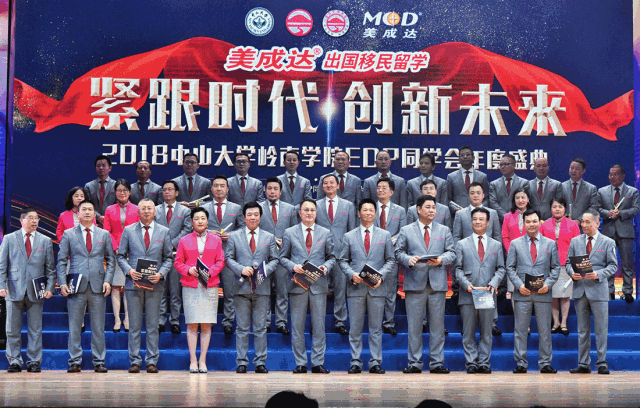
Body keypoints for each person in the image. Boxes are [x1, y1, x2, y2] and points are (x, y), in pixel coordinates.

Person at [396, 195, 455, 374]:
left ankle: (437, 363)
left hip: (437, 284)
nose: (431, 210)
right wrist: (409, 259)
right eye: (428, 207)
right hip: (414, 283)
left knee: (437, 327)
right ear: (418, 209)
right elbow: (398, 252)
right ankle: (414, 362)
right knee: (414, 327)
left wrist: (441, 259)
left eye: (433, 207)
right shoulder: (406, 230)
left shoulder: (444, 230)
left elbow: (452, 252)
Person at [57, 200, 115, 373]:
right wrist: (62, 283)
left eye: (90, 209)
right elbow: (61, 260)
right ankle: (74, 361)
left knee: (98, 326)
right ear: (78, 213)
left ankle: (99, 361)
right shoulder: (68, 234)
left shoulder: (104, 234)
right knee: (74, 326)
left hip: (98, 285)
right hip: (75, 286)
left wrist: (108, 280)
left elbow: (111, 260)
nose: (88, 212)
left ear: (95, 213)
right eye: (84, 209)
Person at [339, 198, 396, 374]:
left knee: (376, 328)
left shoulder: (384, 235)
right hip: (356, 288)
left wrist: (381, 276)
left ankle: (375, 362)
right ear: (359, 213)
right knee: (355, 328)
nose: (368, 213)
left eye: (371, 210)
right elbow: (342, 260)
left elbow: (391, 259)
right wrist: (351, 274)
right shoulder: (349, 236)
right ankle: (355, 362)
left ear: (375, 213)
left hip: (376, 288)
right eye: (365, 210)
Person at [280, 199, 335, 374]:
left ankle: (318, 363)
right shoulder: (289, 232)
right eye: (306, 210)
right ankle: (301, 363)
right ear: (300, 213)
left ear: (316, 213)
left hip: (318, 286)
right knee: (297, 326)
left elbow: (332, 257)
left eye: (312, 210)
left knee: (319, 326)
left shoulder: (325, 233)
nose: (309, 213)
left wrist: (326, 267)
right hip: (298, 285)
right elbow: (282, 257)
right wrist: (293, 267)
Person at [117, 199, 173, 374]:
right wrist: (129, 271)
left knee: (152, 325)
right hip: (134, 284)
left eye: (150, 208)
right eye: (143, 208)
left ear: (155, 211)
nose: (147, 211)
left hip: (155, 285)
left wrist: (161, 274)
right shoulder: (128, 230)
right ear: (138, 212)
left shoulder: (164, 231)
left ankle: (151, 361)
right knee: (134, 325)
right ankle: (134, 361)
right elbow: (120, 256)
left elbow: (168, 258)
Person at [225, 202, 279, 374]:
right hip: (241, 287)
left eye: (256, 214)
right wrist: (241, 269)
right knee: (241, 328)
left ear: (260, 217)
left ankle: (260, 362)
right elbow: (228, 259)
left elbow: (275, 259)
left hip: (262, 288)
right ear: (243, 217)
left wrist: (264, 271)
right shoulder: (234, 236)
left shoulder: (269, 237)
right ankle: (241, 362)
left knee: (260, 328)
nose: (253, 217)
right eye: (249, 214)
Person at [0, 208, 56, 373]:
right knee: (12, 329)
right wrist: (1, 285)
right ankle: (14, 360)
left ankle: (34, 361)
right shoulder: (9, 238)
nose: (35, 221)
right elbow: (2, 265)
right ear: (21, 220)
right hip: (13, 288)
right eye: (31, 218)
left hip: (36, 290)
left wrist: (50, 287)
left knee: (35, 329)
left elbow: (50, 268)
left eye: (37, 218)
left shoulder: (45, 240)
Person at [506, 209, 560, 374]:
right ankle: (521, 363)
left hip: (543, 293)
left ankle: (545, 363)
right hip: (522, 293)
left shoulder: (550, 244)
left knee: (545, 331)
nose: (531, 224)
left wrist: (548, 285)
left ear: (540, 222)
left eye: (534, 221)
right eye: (528, 221)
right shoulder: (515, 243)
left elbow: (556, 268)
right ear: (524, 223)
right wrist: (518, 285)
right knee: (520, 331)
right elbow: (510, 268)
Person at [454, 207, 506, 374]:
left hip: (487, 294)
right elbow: (457, 269)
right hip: (468, 293)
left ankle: (484, 362)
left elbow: (501, 269)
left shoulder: (496, 245)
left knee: (486, 331)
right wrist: (466, 284)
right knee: (468, 332)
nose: (477, 222)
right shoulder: (461, 244)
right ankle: (471, 362)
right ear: (471, 222)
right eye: (475, 219)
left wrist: (494, 283)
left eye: (481, 219)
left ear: (488, 222)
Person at [567, 209, 618, 375]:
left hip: (599, 290)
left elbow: (613, 266)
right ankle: (583, 363)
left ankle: (602, 363)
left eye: (587, 222)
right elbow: (568, 263)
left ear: (597, 223)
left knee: (601, 330)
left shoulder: (608, 242)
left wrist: (598, 274)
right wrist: (571, 273)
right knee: (582, 330)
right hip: (580, 290)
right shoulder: (575, 241)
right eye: (582, 222)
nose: (584, 225)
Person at [175, 207, 225, 373]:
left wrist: (210, 272)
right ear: (191, 222)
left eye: (203, 218)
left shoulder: (216, 240)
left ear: (207, 221)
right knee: (192, 324)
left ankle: (202, 360)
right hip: (190, 285)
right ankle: (193, 360)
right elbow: (178, 262)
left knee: (206, 324)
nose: (200, 221)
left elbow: (221, 261)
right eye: (196, 218)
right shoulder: (184, 240)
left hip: (210, 285)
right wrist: (188, 269)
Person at [451, 182, 502, 335]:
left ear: (483, 195)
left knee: (490, 291)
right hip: (468, 260)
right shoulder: (461, 214)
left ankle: (492, 324)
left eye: (478, 193)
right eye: (472, 193)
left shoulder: (492, 213)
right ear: (468, 195)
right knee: (467, 303)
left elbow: (497, 236)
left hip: (488, 258)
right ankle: (468, 326)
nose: (475, 195)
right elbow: (456, 236)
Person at [200, 175, 245, 333]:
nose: (219, 188)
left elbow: (243, 228)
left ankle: (228, 321)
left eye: (222, 186)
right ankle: (207, 320)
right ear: (211, 189)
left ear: (227, 189)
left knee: (229, 291)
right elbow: (196, 227)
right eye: (216, 185)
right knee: (208, 290)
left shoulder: (237, 208)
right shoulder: (204, 207)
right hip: (208, 256)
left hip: (229, 255)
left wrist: (231, 235)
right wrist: (207, 232)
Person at [315, 174, 356, 335]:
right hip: (320, 255)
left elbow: (352, 231)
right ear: (322, 186)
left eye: (332, 183)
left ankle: (340, 322)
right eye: (325, 183)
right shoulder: (316, 205)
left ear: (338, 185)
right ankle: (318, 323)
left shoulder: (348, 205)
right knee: (319, 290)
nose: (329, 185)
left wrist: (349, 253)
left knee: (340, 290)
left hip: (341, 254)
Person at [259, 177, 297, 335]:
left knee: (282, 292)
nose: (272, 191)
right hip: (263, 257)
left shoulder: (290, 209)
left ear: (281, 192)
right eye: (269, 188)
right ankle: (265, 322)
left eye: (275, 189)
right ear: (265, 191)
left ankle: (281, 322)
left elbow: (295, 232)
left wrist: (285, 241)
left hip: (283, 257)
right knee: (264, 292)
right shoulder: (258, 208)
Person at [597, 164, 640, 302]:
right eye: (610, 174)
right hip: (608, 232)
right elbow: (597, 209)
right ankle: (609, 291)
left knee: (627, 263)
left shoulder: (632, 191)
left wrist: (621, 213)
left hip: (625, 232)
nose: (612, 177)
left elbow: (636, 209)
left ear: (623, 175)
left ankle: (628, 291)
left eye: (615, 174)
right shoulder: (602, 191)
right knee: (608, 263)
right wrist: (607, 213)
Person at [155, 180, 191, 334]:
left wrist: (172, 244)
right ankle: (161, 320)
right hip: (159, 255)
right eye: (164, 189)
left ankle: (175, 320)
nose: (167, 192)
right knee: (161, 290)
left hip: (177, 255)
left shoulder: (185, 211)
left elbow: (187, 229)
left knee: (175, 291)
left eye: (170, 189)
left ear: (176, 192)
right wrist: (164, 245)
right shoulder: (155, 210)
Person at [103, 179, 139, 333]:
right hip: (115, 252)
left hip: (133, 252)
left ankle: (128, 319)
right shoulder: (109, 209)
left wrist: (131, 247)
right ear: (115, 192)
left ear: (129, 192)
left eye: (125, 190)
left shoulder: (137, 209)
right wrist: (116, 247)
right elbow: (107, 231)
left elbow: (139, 230)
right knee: (116, 286)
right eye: (119, 190)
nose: (122, 193)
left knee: (130, 286)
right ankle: (117, 319)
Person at [540, 198, 580, 335]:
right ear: (550, 208)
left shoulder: (573, 224)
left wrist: (575, 265)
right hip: (549, 264)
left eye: (560, 206)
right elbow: (541, 244)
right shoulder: (544, 225)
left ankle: (564, 322)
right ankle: (556, 322)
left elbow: (577, 244)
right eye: (554, 206)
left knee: (565, 294)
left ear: (565, 209)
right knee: (553, 294)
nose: (557, 209)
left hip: (566, 263)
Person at [374, 178, 407, 336]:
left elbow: (404, 231)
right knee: (373, 288)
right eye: (378, 188)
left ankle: (389, 322)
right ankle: (375, 322)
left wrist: (393, 239)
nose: (380, 190)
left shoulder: (399, 210)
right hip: (372, 253)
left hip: (391, 253)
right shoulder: (370, 208)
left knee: (390, 290)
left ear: (391, 192)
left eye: (384, 188)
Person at [446, 146, 489, 213]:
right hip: (458, 214)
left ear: (473, 157)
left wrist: (479, 208)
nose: (465, 157)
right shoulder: (451, 177)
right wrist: (455, 209)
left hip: (478, 214)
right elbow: (448, 199)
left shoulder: (482, 176)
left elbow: (486, 198)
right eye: (462, 155)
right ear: (459, 159)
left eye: (468, 154)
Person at [489, 153, 528, 222]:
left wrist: (514, 217)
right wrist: (506, 217)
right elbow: (493, 203)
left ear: (514, 165)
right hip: (500, 221)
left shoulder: (524, 183)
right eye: (501, 165)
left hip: (519, 221)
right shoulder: (494, 184)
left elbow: (526, 203)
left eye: (506, 164)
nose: (503, 167)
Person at [561, 158, 597, 223]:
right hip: (564, 224)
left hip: (584, 225)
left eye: (577, 169)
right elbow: (558, 205)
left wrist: (579, 220)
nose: (573, 171)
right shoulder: (561, 186)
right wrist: (566, 219)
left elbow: (593, 208)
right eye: (571, 168)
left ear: (583, 171)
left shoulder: (591, 188)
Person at [84, 155, 116, 225]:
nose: (101, 168)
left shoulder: (116, 185)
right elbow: (87, 204)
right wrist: (98, 217)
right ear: (95, 168)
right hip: (93, 222)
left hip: (112, 222)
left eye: (104, 165)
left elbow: (118, 204)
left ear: (110, 168)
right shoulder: (89, 186)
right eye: (98, 166)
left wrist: (107, 218)